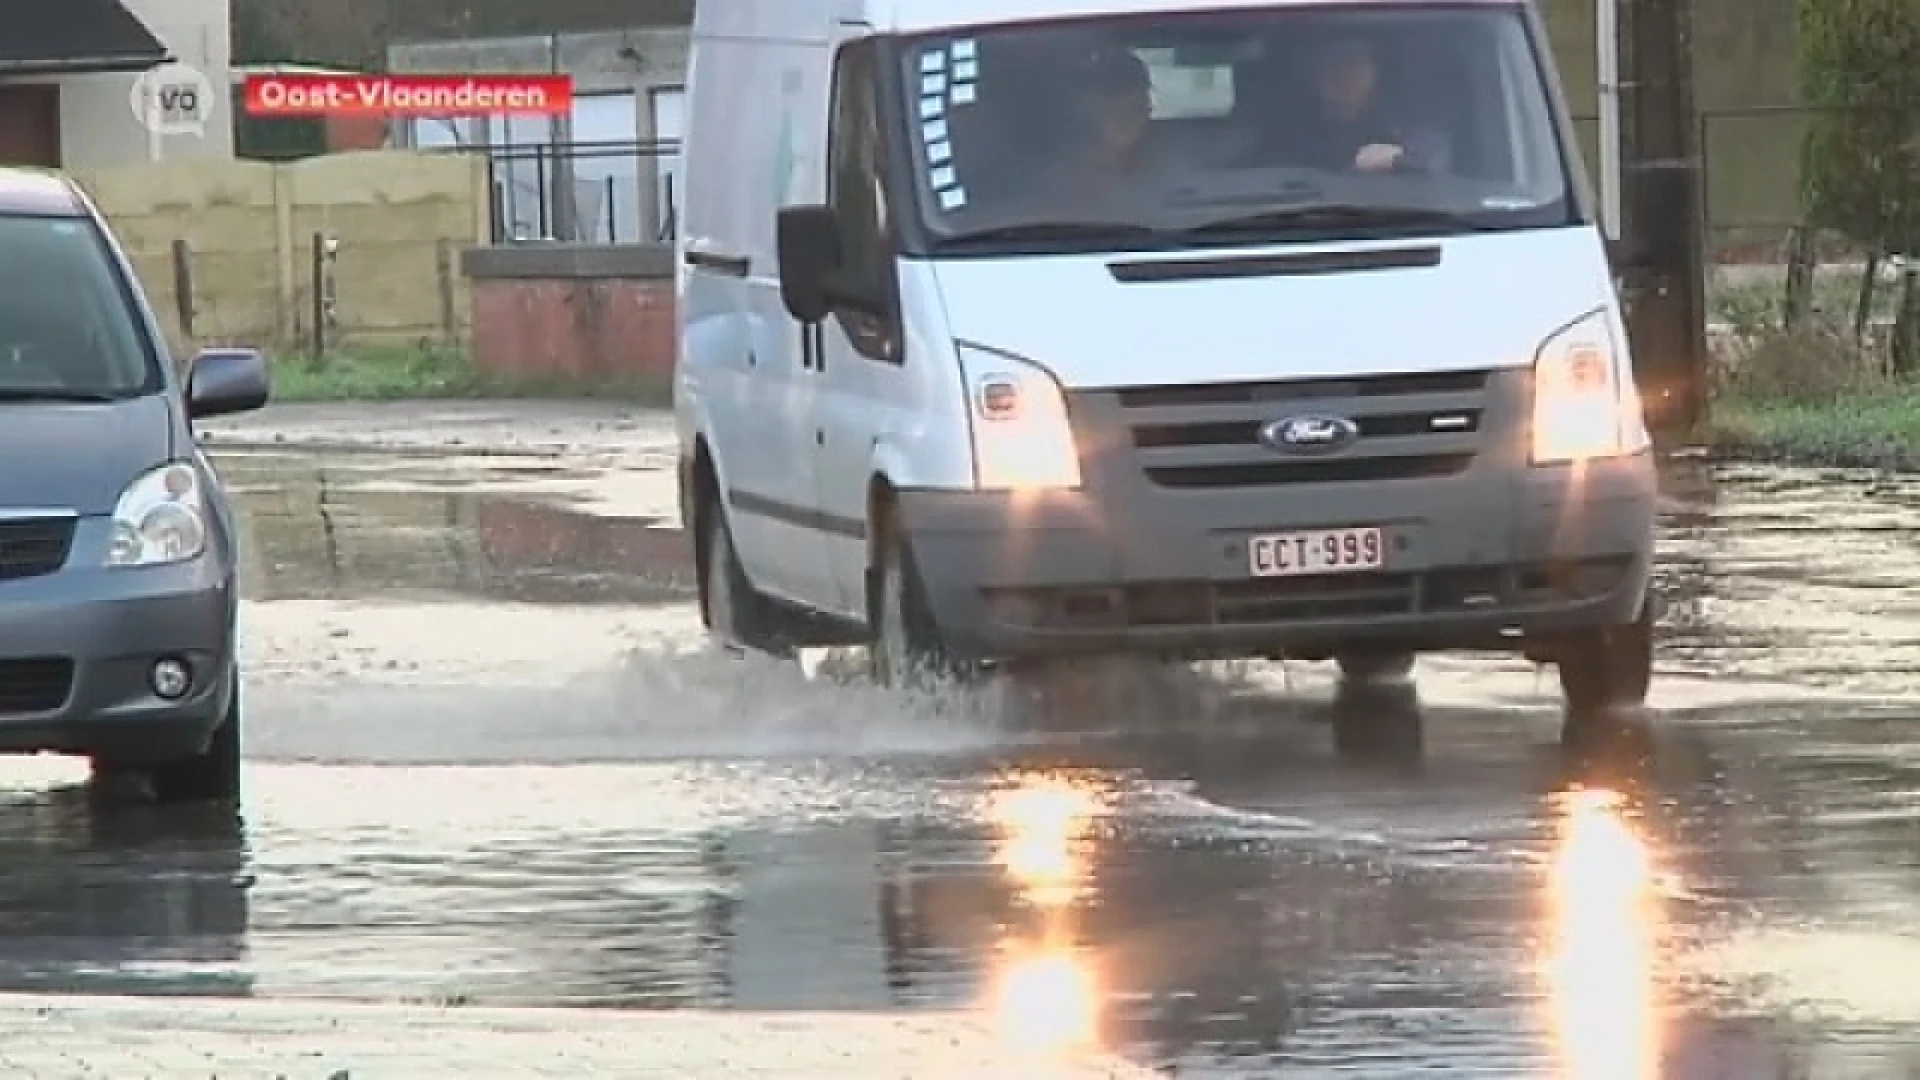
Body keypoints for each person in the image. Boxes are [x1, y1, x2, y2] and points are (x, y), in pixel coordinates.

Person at [1274, 32, 1447, 174]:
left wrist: (1399, 160)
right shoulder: (1286, 136)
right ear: (1315, 75)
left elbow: (1436, 172)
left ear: (1375, 72)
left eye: (1355, 62)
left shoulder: (1406, 129)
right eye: (1334, 64)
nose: (1346, 75)